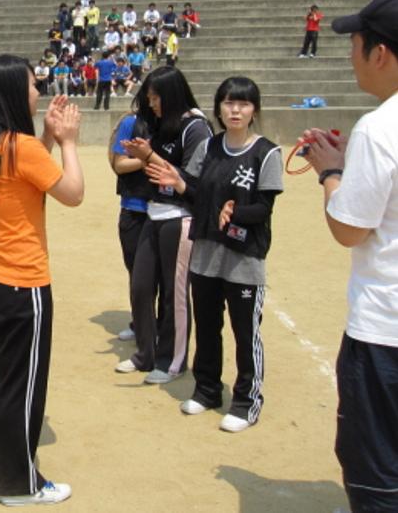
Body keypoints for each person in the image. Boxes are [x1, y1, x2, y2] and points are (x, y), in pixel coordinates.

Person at [0, 54, 83, 506]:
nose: (38, 91)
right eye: (33, 84)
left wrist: (47, 135)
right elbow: (73, 193)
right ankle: (16, 483)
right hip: (21, 281)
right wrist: (68, 142)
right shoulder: (20, 146)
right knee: (22, 385)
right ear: (16, 91)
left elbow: (28, 174)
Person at [302, 0, 398, 512]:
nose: (350, 55)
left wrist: (331, 173)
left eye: (355, 44)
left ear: (379, 53)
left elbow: (349, 229)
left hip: (387, 330)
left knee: (378, 469)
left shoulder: (381, 128)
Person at [147, 77, 283, 432]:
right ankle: (207, 390)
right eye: (228, 103)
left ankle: (246, 401)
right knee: (208, 327)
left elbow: (263, 209)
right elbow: (195, 193)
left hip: (243, 258)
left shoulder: (266, 153)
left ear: (254, 110)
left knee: (245, 333)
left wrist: (234, 211)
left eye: (243, 103)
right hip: (205, 252)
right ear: (219, 108)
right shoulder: (209, 147)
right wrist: (180, 184)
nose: (235, 110)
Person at [118, 66, 213, 383]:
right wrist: (143, 155)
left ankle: (172, 361)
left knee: (174, 294)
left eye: (156, 97)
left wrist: (149, 156)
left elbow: (191, 181)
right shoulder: (162, 125)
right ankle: (145, 354)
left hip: (180, 217)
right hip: (154, 212)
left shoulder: (196, 128)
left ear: (171, 96)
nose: (152, 104)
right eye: (149, 98)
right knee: (141, 286)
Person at [108, 84, 153, 343]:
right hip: (135, 208)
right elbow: (120, 164)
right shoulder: (131, 123)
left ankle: (161, 328)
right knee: (137, 274)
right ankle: (140, 324)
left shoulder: (176, 126)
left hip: (166, 211)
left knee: (164, 277)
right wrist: (148, 159)